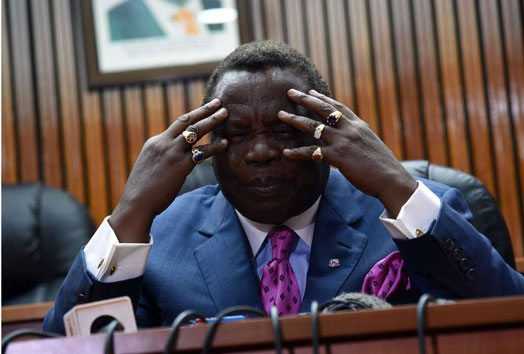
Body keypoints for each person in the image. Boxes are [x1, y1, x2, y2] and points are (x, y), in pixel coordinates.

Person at [44, 41, 524, 333]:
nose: (260, 153)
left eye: (283, 130)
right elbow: (64, 346)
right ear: (208, 146)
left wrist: (394, 183)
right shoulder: (158, 239)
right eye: (236, 136)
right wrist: (129, 213)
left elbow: (508, 318)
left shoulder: (413, 210)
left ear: (324, 130)